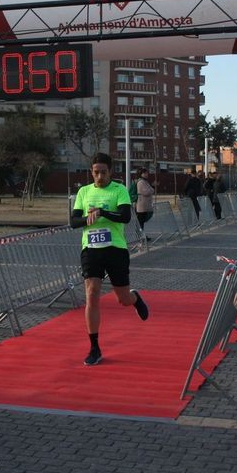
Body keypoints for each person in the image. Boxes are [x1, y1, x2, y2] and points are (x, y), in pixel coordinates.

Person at [70, 152, 149, 366]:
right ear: (91, 172)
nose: (100, 176)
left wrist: (103, 213)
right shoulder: (84, 192)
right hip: (91, 249)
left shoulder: (119, 190)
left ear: (110, 171)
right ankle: (94, 347)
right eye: (96, 172)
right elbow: (74, 221)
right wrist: (88, 218)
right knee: (92, 293)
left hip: (115, 249)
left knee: (122, 299)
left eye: (103, 172)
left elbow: (125, 217)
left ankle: (134, 298)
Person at [134, 167, 156, 239]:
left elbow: (150, 190)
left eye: (147, 173)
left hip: (144, 206)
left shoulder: (144, 181)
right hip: (141, 206)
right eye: (145, 173)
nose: (147, 174)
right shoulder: (141, 182)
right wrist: (152, 189)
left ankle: (141, 236)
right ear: (141, 174)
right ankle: (140, 236)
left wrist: (151, 189)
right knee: (140, 222)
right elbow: (146, 192)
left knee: (141, 222)